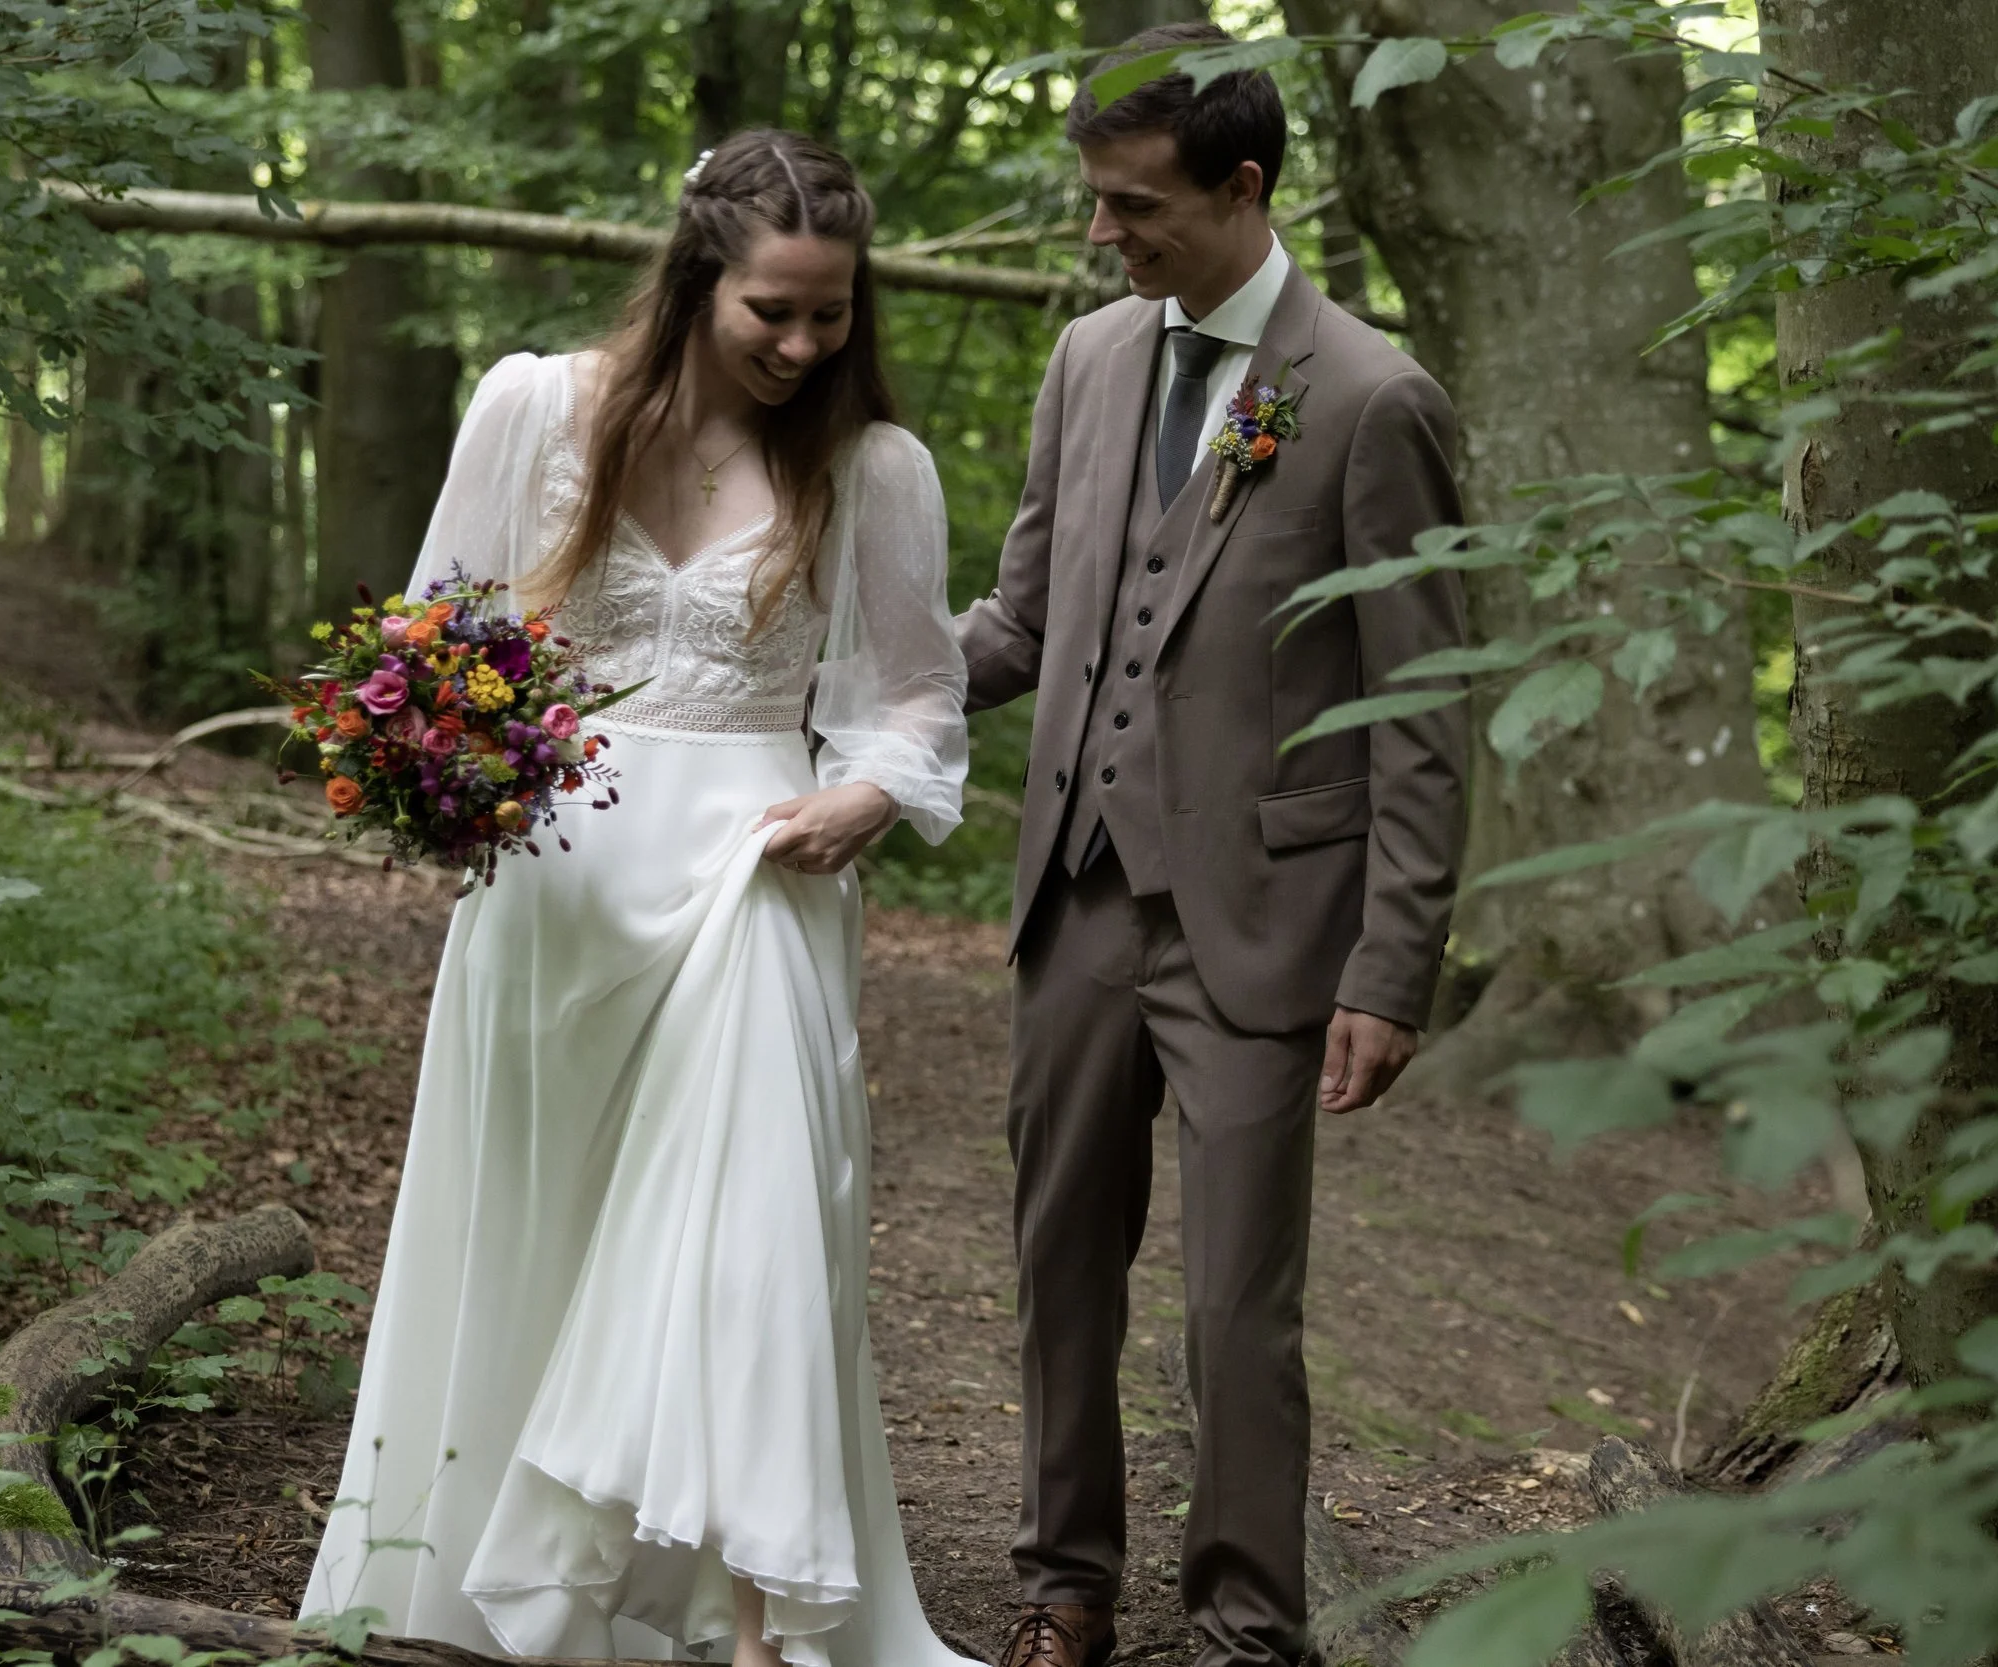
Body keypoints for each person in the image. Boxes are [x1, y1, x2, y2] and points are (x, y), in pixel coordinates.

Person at [300, 129, 978, 1667]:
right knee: (536, 1230)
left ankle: (757, 1627)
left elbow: (921, 696)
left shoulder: (874, 468)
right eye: (775, 313)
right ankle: (513, 1596)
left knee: (749, 1240)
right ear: (694, 283)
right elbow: (430, 639)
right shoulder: (535, 405)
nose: (809, 345)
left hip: (757, 874)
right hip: (553, 890)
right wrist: (439, 766)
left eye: (833, 313)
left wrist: (871, 789)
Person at [954, 25, 1470, 1667]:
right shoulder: (1091, 363)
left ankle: (1250, 1622)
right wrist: (832, 684)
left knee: (1238, 1303)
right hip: (1080, 898)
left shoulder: (1376, 399)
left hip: (1265, 918)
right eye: (1095, 203)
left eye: (1134, 207)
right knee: (1058, 1262)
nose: (1105, 236)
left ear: (1243, 188)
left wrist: (1392, 968)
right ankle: (1065, 1586)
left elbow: (1427, 711)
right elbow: (1024, 616)